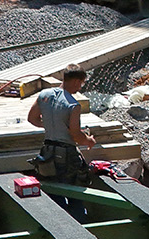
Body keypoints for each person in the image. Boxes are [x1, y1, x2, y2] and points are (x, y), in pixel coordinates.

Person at [25, 65, 104, 196]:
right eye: (81, 83)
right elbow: (76, 135)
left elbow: (32, 118)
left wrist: (52, 125)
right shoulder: (73, 105)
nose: (80, 88)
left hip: (47, 152)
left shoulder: (44, 95)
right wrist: (89, 141)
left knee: (54, 192)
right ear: (76, 81)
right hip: (66, 156)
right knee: (75, 194)